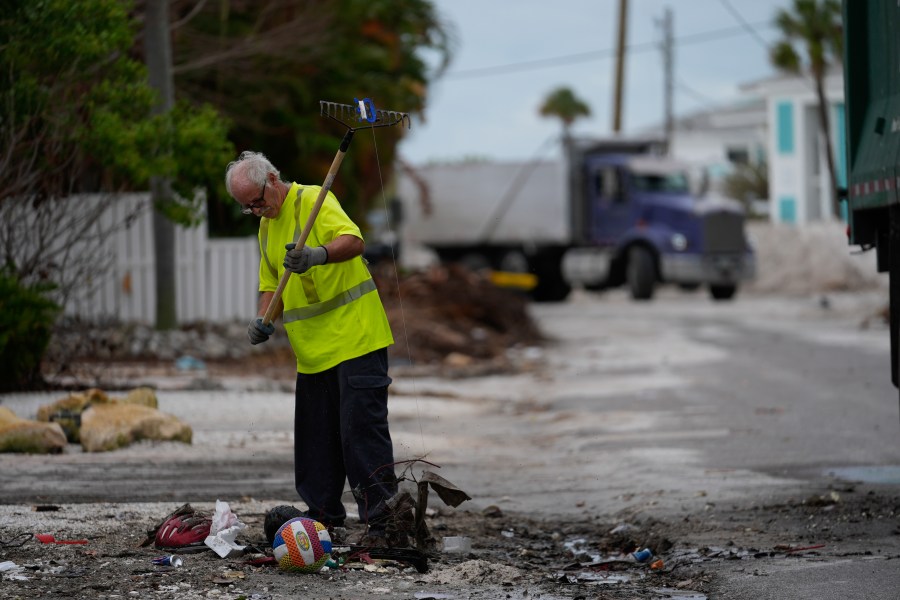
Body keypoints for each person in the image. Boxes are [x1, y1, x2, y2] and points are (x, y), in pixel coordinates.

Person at [224, 150, 400, 545]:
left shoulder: (314, 200)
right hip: (313, 352)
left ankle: (385, 523)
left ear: (272, 179)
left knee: (361, 434)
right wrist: (262, 319)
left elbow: (353, 240)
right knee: (315, 439)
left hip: (356, 338)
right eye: (246, 207)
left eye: (256, 201)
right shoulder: (266, 227)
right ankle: (322, 518)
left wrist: (317, 255)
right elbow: (271, 281)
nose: (255, 211)